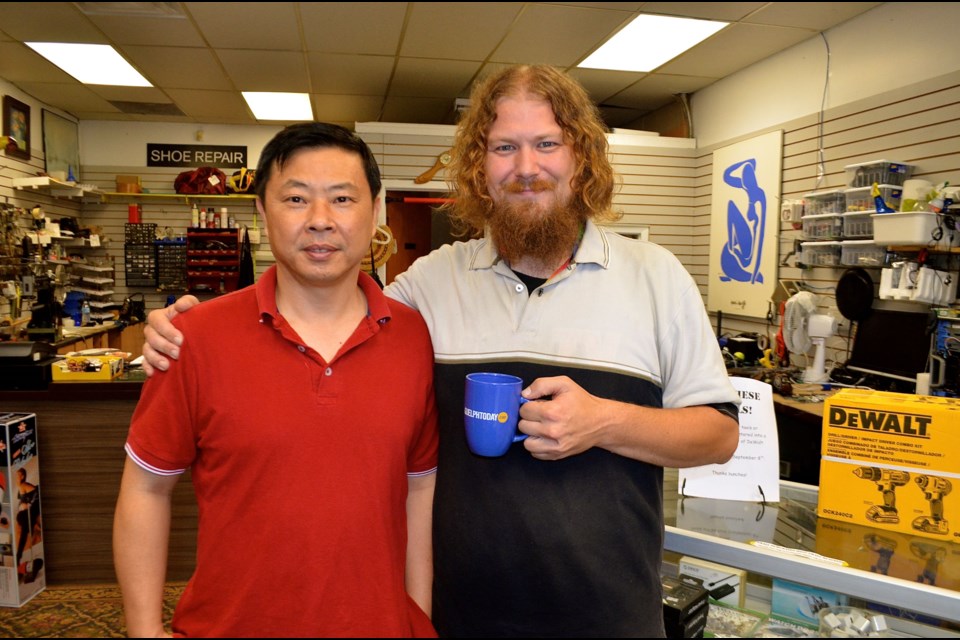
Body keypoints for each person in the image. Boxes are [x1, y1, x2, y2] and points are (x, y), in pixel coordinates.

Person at [141, 65, 739, 637]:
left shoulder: (655, 277)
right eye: (504, 148)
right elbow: (330, 306)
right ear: (479, 167)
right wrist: (191, 325)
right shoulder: (430, 283)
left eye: (547, 144)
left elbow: (718, 436)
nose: (526, 168)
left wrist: (606, 421)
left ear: (581, 156)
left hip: (608, 615)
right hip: (458, 616)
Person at [114, 123, 439, 638]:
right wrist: (143, 631)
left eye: (341, 198)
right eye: (295, 198)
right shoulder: (193, 337)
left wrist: (415, 615)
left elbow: (418, 491)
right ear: (262, 214)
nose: (320, 221)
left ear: (374, 212)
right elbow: (147, 488)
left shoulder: (413, 336)